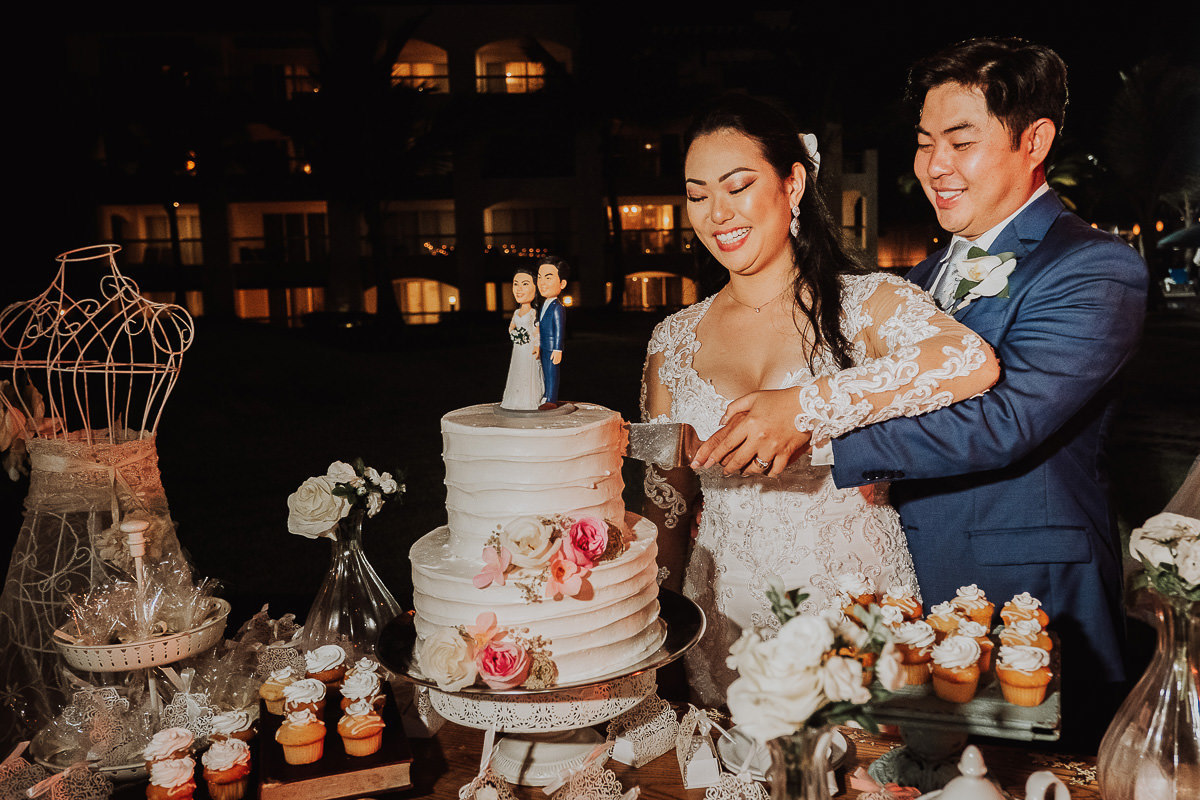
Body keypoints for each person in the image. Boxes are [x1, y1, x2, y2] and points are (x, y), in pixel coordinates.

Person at [694, 39, 1148, 742]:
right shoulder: (918, 278)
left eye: (961, 142)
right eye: (925, 142)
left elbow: (1007, 419)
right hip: (901, 588)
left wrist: (818, 429)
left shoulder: (1093, 267)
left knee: (1028, 779)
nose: (935, 165)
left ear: (1035, 140)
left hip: (1021, 593)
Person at [642, 93, 1000, 706]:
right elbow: (666, 509)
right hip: (724, 622)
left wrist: (805, 408)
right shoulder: (671, 340)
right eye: (697, 195)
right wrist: (658, 650)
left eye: (737, 186)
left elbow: (970, 362)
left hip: (855, 611)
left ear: (793, 183)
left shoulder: (869, 303)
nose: (716, 213)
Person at [500, 265, 544, 411]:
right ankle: (515, 398)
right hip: (518, 348)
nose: (518, 289)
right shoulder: (516, 312)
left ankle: (529, 399)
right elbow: (511, 327)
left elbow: (537, 330)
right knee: (517, 370)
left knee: (528, 371)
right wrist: (514, 334)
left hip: (529, 348)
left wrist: (537, 345)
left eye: (525, 284)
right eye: (515, 284)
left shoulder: (533, 313)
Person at [536, 257, 569, 407]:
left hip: (551, 347)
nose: (542, 283)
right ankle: (545, 394)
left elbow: (559, 330)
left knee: (552, 372)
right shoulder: (543, 305)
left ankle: (551, 399)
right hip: (543, 345)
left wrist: (558, 348)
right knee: (543, 371)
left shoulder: (558, 307)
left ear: (562, 283)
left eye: (548, 278)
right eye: (539, 277)